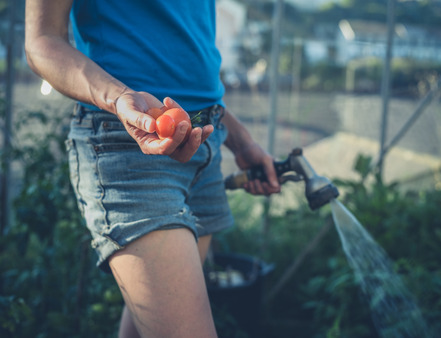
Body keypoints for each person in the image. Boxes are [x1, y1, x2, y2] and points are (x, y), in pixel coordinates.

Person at [25, 0, 281, 337]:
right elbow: (42, 41)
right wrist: (118, 97)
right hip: (129, 147)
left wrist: (239, 139)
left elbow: (185, 48)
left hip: (204, 141)